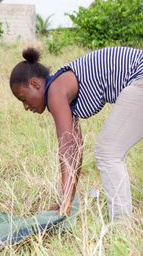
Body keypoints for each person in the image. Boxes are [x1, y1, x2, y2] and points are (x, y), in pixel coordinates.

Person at [9, 46, 143, 222]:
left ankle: (122, 225)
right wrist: (67, 200)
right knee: (107, 151)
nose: (25, 107)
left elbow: (68, 147)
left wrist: (65, 203)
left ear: (35, 84)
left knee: (107, 152)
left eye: (23, 99)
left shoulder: (55, 91)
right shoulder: (63, 87)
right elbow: (76, 150)